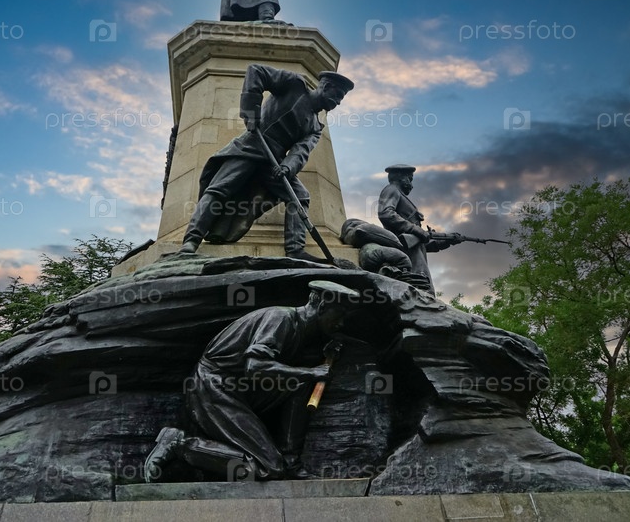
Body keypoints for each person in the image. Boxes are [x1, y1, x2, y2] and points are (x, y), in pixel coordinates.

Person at [145, 280, 361, 482]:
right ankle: (180, 444)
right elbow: (255, 366)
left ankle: (290, 460)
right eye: (339, 315)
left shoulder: (300, 329)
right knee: (270, 467)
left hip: (239, 389)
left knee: (300, 383)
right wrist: (311, 372)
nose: (341, 324)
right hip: (213, 388)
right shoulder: (280, 318)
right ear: (322, 306)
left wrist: (322, 359)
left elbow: (281, 372)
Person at [178, 63, 354, 263]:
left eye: (340, 99)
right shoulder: (295, 85)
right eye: (337, 96)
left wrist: (287, 167)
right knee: (219, 188)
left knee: (300, 195)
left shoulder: (315, 127)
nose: (337, 102)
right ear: (326, 86)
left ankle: (295, 249)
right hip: (252, 145)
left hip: (274, 161)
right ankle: (191, 240)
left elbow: (301, 152)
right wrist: (251, 111)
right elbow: (257, 72)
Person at [377, 165, 463, 291]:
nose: (411, 185)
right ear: (401, 177)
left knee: (424, 290)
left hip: (413, 253)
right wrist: (414, 229)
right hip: (404, 252)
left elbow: (421, 243)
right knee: (422, 290)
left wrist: (447, 241)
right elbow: (386, 214)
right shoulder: (391, 189)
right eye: (410, 179)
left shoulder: (399, 194)